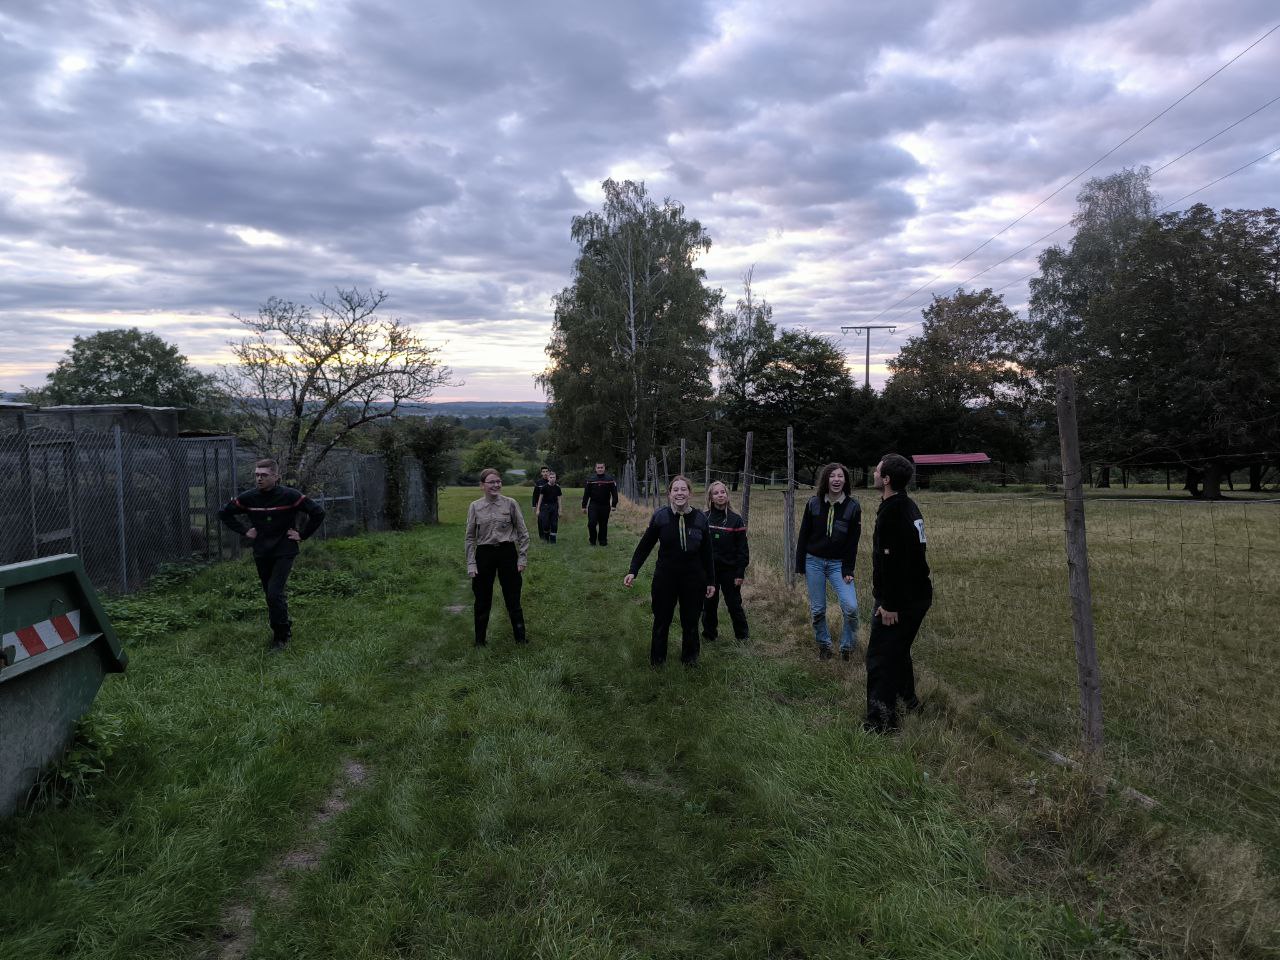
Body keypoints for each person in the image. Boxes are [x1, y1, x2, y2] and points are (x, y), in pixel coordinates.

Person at [217, 458, 326, 652]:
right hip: (261, 551)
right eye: (257, 475)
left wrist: (302, 535)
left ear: (276, 476)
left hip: (284, 549)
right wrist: (245, 531)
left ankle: (280, 637)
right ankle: (284, 625)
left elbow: (317, 512)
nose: (259, 478)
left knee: (275, 593)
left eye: (264, 475)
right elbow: (224, 513)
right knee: (271, 594)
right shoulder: (248, 497)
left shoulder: (290, 495)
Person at [865, 453, 933, 732]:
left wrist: (890, 604)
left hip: (901, 599)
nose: (873, 473)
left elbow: (895, 563)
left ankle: (881, 722)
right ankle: (908, 701)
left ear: (886, 479)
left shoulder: (893, 513)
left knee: (881, 657)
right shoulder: (905, 505)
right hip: (916, 594)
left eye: (877, 470)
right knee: (898, 651)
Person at [624, 476, 716, 667]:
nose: (680, 493)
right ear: (669, 494)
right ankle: (658, 661)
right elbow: (645, 546)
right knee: (662, 619)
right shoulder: (661, 516)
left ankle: (690, 659)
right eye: (676, 490)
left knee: (690, 621)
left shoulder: (700, 518)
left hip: (693, 579)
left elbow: (707, 553)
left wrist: (710, 581)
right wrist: (633, 570)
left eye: (683, 489)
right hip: (665, 578)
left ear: (690, 493)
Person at [794, 462, 862, 661]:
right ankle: (824, 646)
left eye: (840, 476)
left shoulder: (853, 507)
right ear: (826, 480)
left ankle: (847, 647)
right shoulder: (813, 504)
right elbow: (803, 534)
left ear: (845, 481)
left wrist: (848, 568)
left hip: (839, 564)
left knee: (851, 607)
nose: (836, 480)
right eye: (832, 476)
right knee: (818, 610)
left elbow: (853, 542)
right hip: (813, 562)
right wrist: (800, 564)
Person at [465, 468, 531, 646]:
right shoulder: (475, 506)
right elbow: (470, 538)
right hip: (484, 555)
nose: (496, 485)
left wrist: (522, 558)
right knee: (482, 599)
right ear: (482, 485)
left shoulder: (510, 504)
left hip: (507, 553)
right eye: (491, 482)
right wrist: (471, 563)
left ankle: (521, 639)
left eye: (498, 481)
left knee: (513, 598)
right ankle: (480, 642)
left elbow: (523, 533)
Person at [702, 480, 750, 643]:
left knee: (734, 604)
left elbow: (743, 550)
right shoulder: (704, 518)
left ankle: (742, 637)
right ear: (711, 497)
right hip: (710, 571)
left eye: (722, 492)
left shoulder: (736, 520)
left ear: (727, 495)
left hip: (730, 571)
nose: (720, 495)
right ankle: (709, 635)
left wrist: (740, 573)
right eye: (716, 493)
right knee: (709, 604)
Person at [581, 461, 618, 546]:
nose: (600, 469)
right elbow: (586, 494)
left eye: (601, 467)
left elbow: (614, 493)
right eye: (598, 468)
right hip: (593, 505)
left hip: (605, 505)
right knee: (591, 523)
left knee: (603, 524)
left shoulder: (610, 479)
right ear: (595, 468)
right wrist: (584, 506)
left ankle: (602, 540)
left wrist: (614, 505)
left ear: (604, 468)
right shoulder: (591, 480)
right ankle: (592, 540)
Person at [535, 470, 563, 545]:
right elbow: (540, 498)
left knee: (554, 524)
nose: (552, 479)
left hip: (554, 506)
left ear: (555, 478)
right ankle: (546, 538)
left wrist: (560, 510)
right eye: (551, 477)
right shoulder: (544, 487)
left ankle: (553, 541)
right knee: (546, 524)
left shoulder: (557, 488)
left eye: (554, 477)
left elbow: (559, 499)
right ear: (548, 478)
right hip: (545, 507)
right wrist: (538, 509)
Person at [532, 466, 551, 541]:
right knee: (540, 521)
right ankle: (542, 537)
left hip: (550, 505)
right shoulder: (538, 483)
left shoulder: (552, 481)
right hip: (541, 505)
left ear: (549, 472)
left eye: (546, 471)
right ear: (541, 473)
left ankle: (548, 536)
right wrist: (534, 505)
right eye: (543, 472)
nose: (545, 473)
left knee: (548, 521)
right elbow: (535, 495)